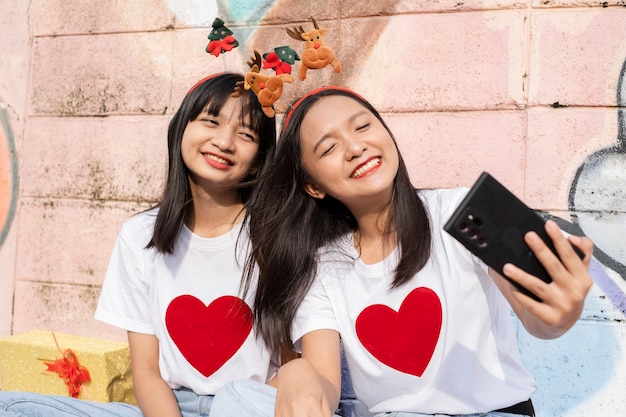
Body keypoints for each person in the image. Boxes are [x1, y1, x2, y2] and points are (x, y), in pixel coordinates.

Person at [208, 86, 594, 417]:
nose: (355, 147)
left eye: (363, 126)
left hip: (492, 413)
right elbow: (324, 387)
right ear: (313, 186)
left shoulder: (458, 212)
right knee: (235, 401)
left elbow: (537, 316)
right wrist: (296, 373)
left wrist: (561, 314)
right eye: (328, 148)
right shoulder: (322, 265)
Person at [0, 72, 277, 417]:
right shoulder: (140, 236)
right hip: (172, 408)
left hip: (251, 407)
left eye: (246, 133)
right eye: (210, 121)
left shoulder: (276, 235)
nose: (224, 141)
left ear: (261, 156)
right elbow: (146, 370)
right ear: (181, 128)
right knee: (10, 407)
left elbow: (295, 368)